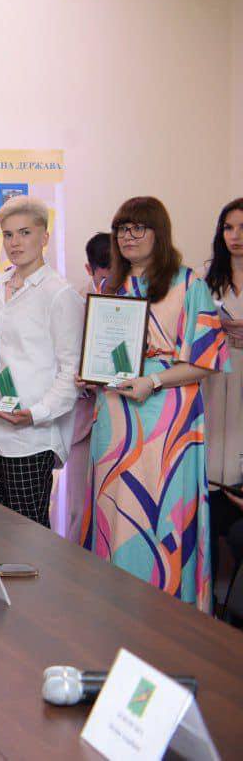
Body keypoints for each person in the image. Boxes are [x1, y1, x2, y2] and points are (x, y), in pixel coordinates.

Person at [80, 196, 229, 612]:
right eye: (121, 229)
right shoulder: (111, 288)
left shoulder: (188, 284)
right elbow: (106, 356)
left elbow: (208, 361)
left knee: (162, 517)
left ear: (158, 232)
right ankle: (111, 612)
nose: (127, 236)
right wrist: (89, 375)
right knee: (115, 512)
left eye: (137, 228)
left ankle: (164, 615)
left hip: (169, 421)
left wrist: (154, 380)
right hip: (115, 420)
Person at [0, 198, 83, 527]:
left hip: (31, 439)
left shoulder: (60, 294)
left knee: (28, 539)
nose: (15, 242)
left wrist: (36, 413)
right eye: (9, 235)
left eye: (25, 232)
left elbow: (71, 372)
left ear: (44, 237)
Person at [60, 231, 113, 541]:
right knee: (79, 508)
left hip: (121, 413)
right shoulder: (73, 302)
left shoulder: (133, 301)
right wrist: (80, 380)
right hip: (82, 418)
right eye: (103, 276)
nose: (109, 283)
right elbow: (59, 360)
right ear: (88, 269)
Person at [204, 197, 243, 602]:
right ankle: (208, 600)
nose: (236, 236)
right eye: (229, 228)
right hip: (214, 383)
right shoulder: (207, 283)